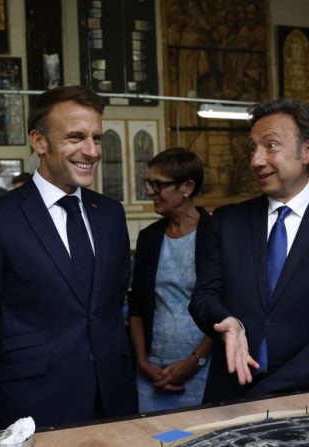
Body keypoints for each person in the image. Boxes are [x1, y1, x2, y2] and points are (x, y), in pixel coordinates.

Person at [0, 85, 137, 429]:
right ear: (39, 142)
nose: (92, 151)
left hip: (114, 398)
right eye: (75, 137)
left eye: (97, 138)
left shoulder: (110, 213)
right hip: (35, 404)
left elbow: (111, 304)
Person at [189, 98, 309, 403]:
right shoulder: (226, 222)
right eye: (253, 148)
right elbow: (204, 296)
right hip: (229, 393)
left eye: (270, 146)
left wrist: (266, 393)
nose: (256, 161)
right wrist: (226, 322)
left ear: (307, 151)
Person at [128, 148, 213, 412]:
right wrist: (143, 362)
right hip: (152, 371)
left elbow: (226, 309)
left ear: (187, 187)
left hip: (202, 370)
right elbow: (138, 308)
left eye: (159, 184)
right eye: (149, 183)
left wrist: (193, 361)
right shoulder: (149, 238)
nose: (151, 191)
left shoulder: (215, 234)